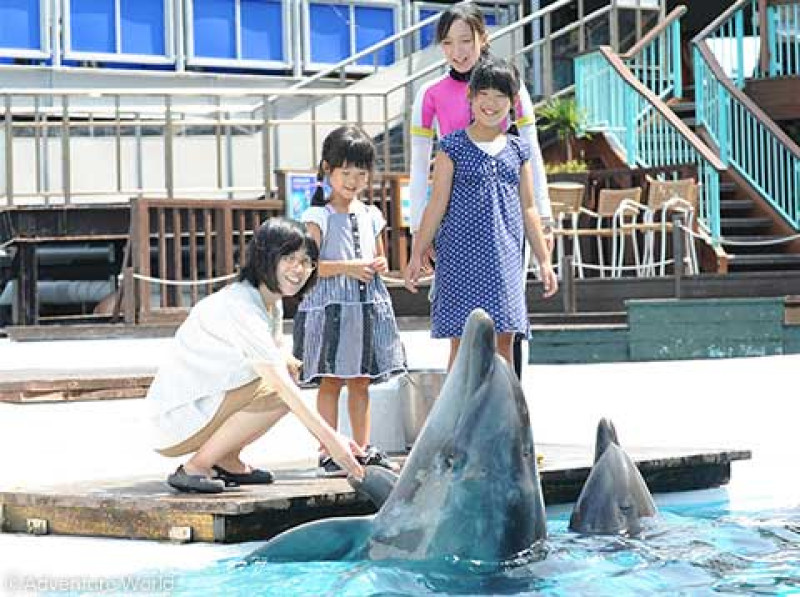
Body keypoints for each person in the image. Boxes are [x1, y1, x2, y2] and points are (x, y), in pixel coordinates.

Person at [147, 217, 364, 493]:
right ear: (266, 257)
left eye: (306, 261)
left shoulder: (268, 301)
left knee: (286, 374)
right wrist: (332, 442)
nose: (299, 269)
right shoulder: (241, 306)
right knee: (280, 390)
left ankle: (226, 460)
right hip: (177, 419)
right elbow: (280, 385)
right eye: (289, 258)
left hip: (202, 405)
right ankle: (196, 467)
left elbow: (280, 360)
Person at [408, 1, 554, 378]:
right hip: (456, 225)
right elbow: (420, 168)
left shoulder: (510, 85)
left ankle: (507, 404)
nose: (458, 51)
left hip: (505, 221)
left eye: (465, 40)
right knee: (461, 334)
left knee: (508, 327)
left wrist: (545, 217)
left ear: (482, 38)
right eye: (448, 43)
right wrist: (418, 232)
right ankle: (462, 408)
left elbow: (531, 153)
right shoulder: (430, 94)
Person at [293, 125, 406, 478]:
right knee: (330, 380)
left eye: (361, 173)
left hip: (366, 307)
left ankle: (361, 447)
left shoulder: (372, 215)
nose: (354, 181)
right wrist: (349, 267)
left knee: (361, 380)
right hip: (331, 310)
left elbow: (380, 258)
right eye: (346, 173)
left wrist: (379, 265)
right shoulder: (317, 216)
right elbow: (308, 267)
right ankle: (329, 452)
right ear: (328, 170)